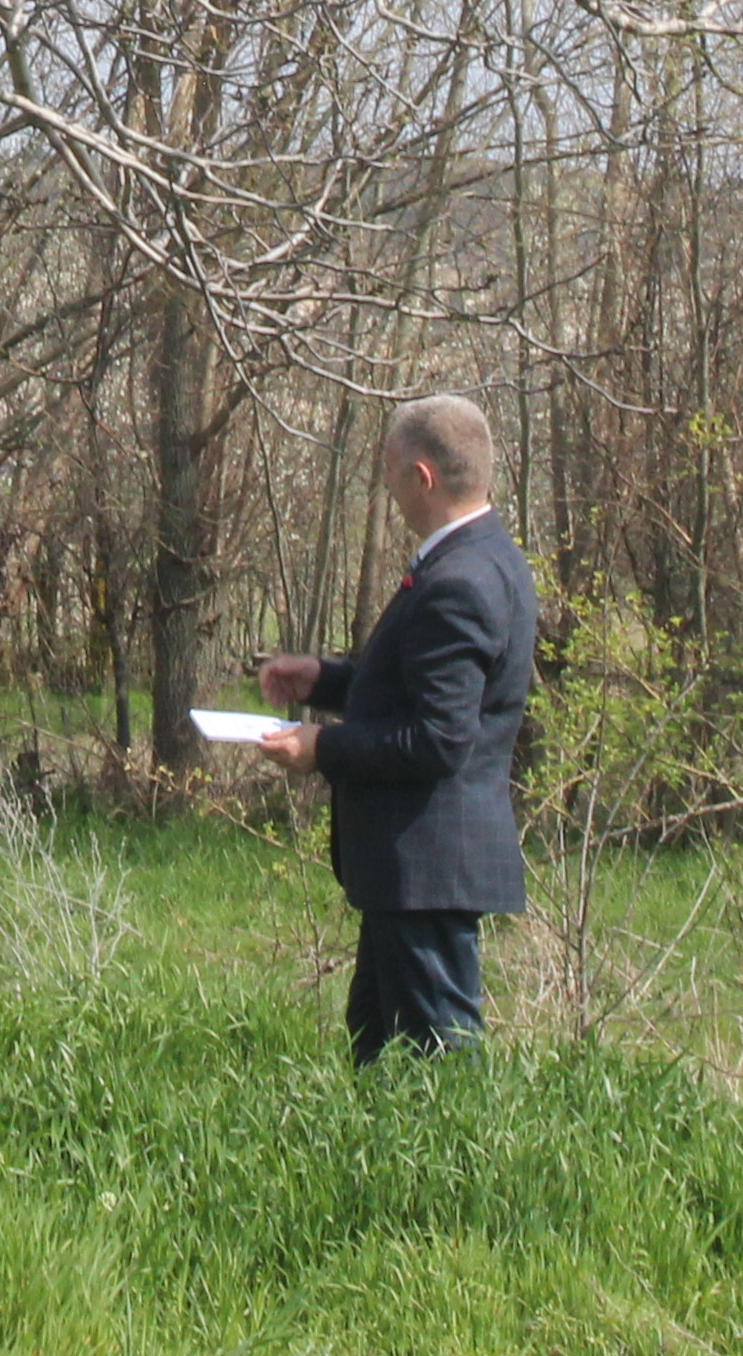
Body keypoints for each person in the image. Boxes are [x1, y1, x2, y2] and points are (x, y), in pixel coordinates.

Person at [258, 392, 536, 1061]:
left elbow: (439, 738)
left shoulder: (460, 580)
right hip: (411, 870)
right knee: (378, 1052)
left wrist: (320, 745)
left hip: (429, 866)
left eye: (388, 470)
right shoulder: (484, 557)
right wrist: (322, 680)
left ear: (423, 477)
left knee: (439, 1062)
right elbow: (414, 689)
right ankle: (380, 1169)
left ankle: (457, 1171)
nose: (385, 486)